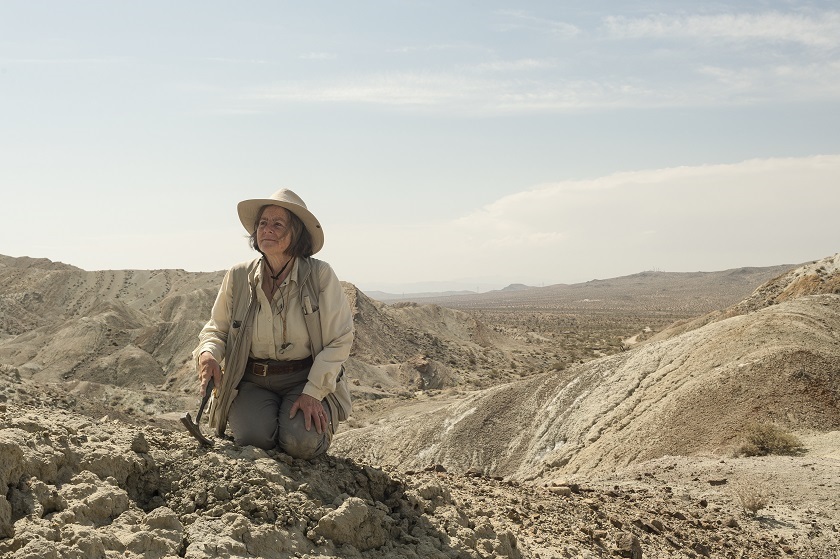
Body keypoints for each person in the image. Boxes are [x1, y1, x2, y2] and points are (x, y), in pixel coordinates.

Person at [194, 188, 354, 459]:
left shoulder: (319, 275)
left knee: (301, 442)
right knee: (253, 440)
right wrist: (208, 353)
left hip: (303, 378)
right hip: (252, 379)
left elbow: (340, 339)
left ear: (297, 234)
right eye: (262, 223)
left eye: (278, 224)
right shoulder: (239, 276)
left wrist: (313, 393)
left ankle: (310, 432)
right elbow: (217, 329)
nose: (267, 229)